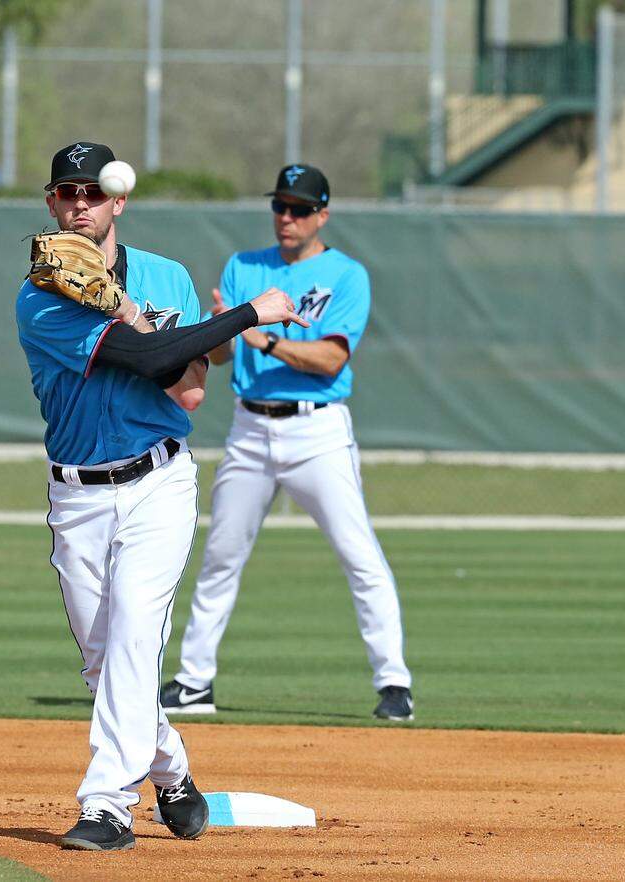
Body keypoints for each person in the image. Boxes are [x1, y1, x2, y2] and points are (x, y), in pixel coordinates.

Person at [15, 142, 308, 851]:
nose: (79, 204)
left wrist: (136, 312)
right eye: (66, 193)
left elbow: (190, 389)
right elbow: (148, 360)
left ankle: (108, 806)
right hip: (77, 497)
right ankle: (172, 772)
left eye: (93, 191)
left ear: (119, 201)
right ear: (52, 205)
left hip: (157, 483)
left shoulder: (166, 277)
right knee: (102, 661)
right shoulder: (39, 296)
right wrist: (247, 314)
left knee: (135, 642)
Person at [159, 163, 415, 722]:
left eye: (300, 209)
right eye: (280, 206)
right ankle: (194, 681)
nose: (287, 217)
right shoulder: (244, 267)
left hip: (317, 428)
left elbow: (330, 358)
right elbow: (222, 355)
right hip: (250, 428)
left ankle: (394, 682)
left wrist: (263, 337)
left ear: (323, 214)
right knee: (222, 556)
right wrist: (220, 329)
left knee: (358, 553)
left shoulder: (347, 275)